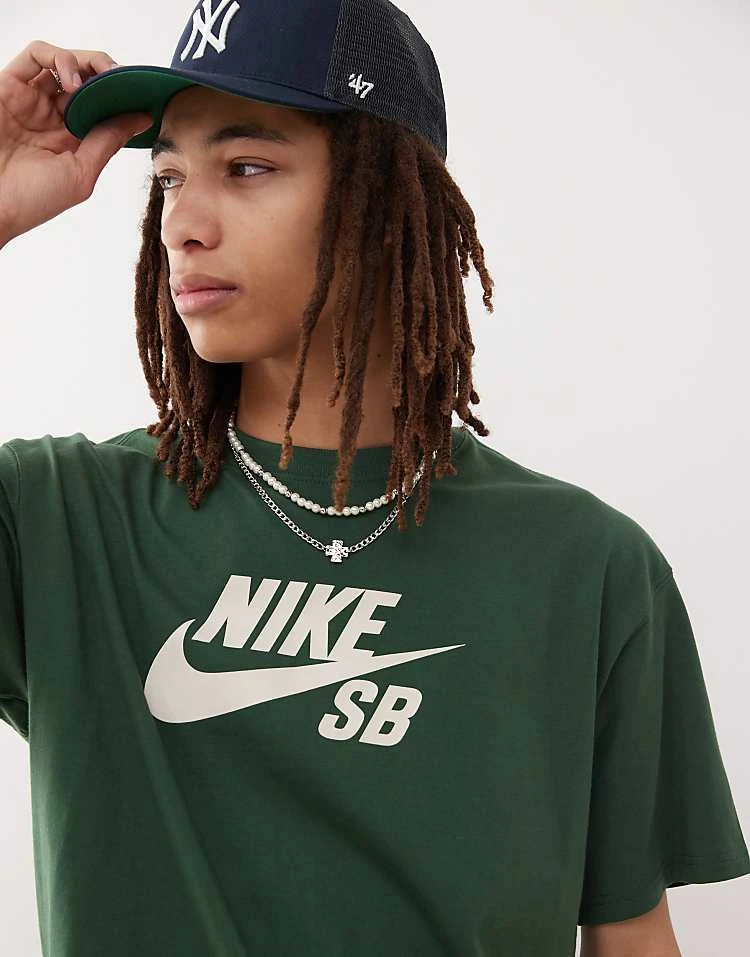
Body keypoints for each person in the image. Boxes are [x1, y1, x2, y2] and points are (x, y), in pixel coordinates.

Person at [0, 3, 748, 956]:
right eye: (170, 176)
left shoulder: (589, 565)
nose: (182, 222)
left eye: (247, 167)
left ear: (386, 201)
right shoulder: (59, 520)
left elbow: (632, 937)